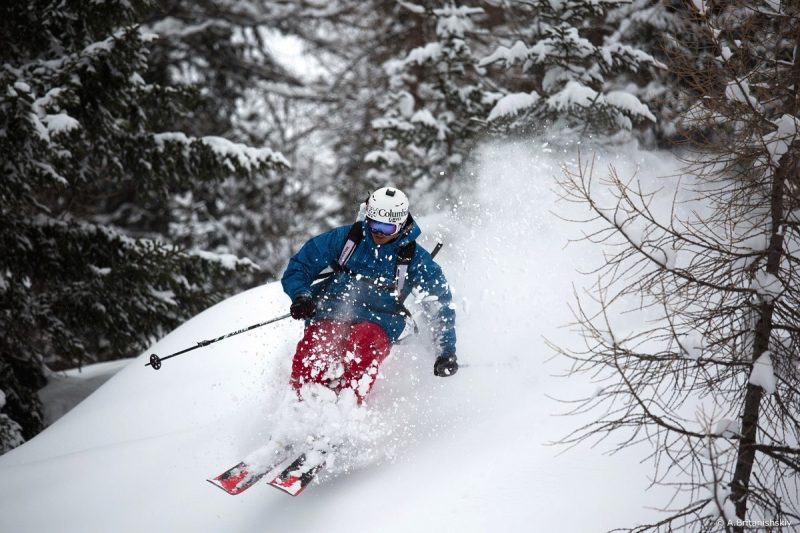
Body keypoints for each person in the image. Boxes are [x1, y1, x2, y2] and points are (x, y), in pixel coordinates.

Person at [281, 186, 458, 403]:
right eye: (374, 224)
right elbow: (301, 266)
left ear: (402, 225)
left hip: (381, 319)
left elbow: (439, 304)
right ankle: (298, 409)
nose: (379, 233)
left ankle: (344, 409)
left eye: (387, 227)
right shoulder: (346, 239)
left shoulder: (414, 259)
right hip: (331, 311)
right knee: (318, 346)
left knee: (363, 343)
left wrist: (446, 351)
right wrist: (301, 296)